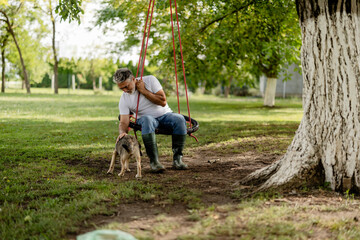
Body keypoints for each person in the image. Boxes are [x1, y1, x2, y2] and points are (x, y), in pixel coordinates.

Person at [113, 68, 188, 172]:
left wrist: (143, 91)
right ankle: (154, 162)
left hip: (165, 115)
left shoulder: (150, 80)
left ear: (133, 79)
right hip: (146, 120)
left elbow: (162, 101)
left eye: (126, 86)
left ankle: (177, 160)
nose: (125, 90)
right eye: (121, 88)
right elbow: (124, 121)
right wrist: (122, 132)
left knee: (180, 119)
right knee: (147, 119)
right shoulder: (124, 98)